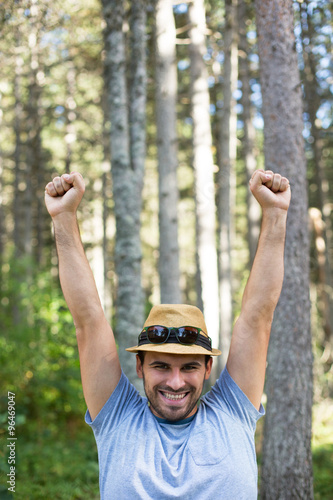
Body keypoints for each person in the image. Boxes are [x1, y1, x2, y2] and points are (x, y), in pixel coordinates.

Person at [44, 169, 291, 499]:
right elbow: (88, 321)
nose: (175, 382)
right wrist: (63, 217)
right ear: (140, 367)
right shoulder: (118, 417)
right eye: (161, 365)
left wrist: (275, 214)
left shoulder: (232, 410)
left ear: (207, 369)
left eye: (188, 367)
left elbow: (258, 318)